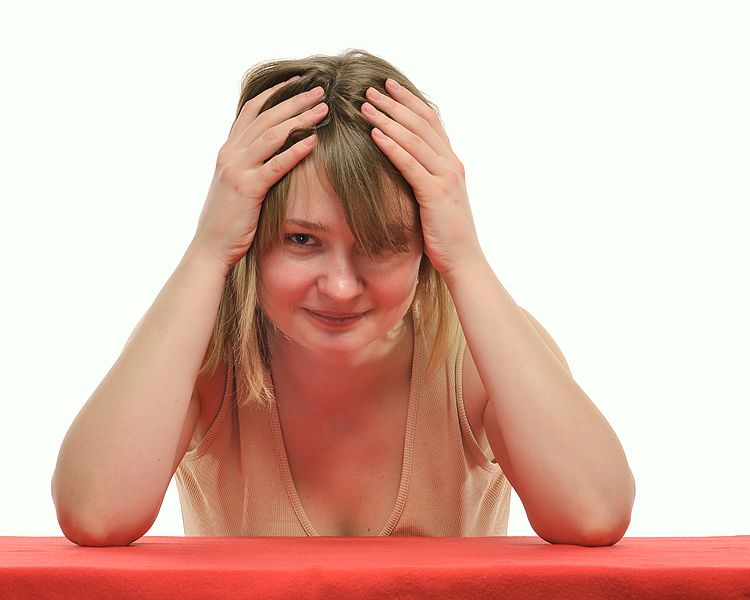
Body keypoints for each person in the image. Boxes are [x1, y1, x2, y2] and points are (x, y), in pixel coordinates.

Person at [52, 49, 636, 547]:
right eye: (302, 240)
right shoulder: (202, 353)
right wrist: (207, 250)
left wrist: (467, 258)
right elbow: (95, 513)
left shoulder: (479, 350)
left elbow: (594, 512)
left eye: (381, 243)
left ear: (424, 247)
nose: (340, 286)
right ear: (252, 237)